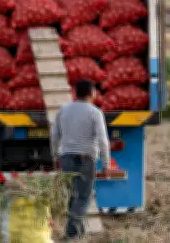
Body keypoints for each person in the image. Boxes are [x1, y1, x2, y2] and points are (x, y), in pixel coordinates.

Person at [50, 79, 110, 240]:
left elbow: (55, 136)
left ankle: (78, 231)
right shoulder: (95, 112)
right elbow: (103, 140)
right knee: (83, 197)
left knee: (71, 196)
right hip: (86, 159)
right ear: (91, 93)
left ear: (75, 93)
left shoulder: (63, 110)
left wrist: (55, 156)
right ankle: (72, 233)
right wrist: (106, 164)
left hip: (66, 157)